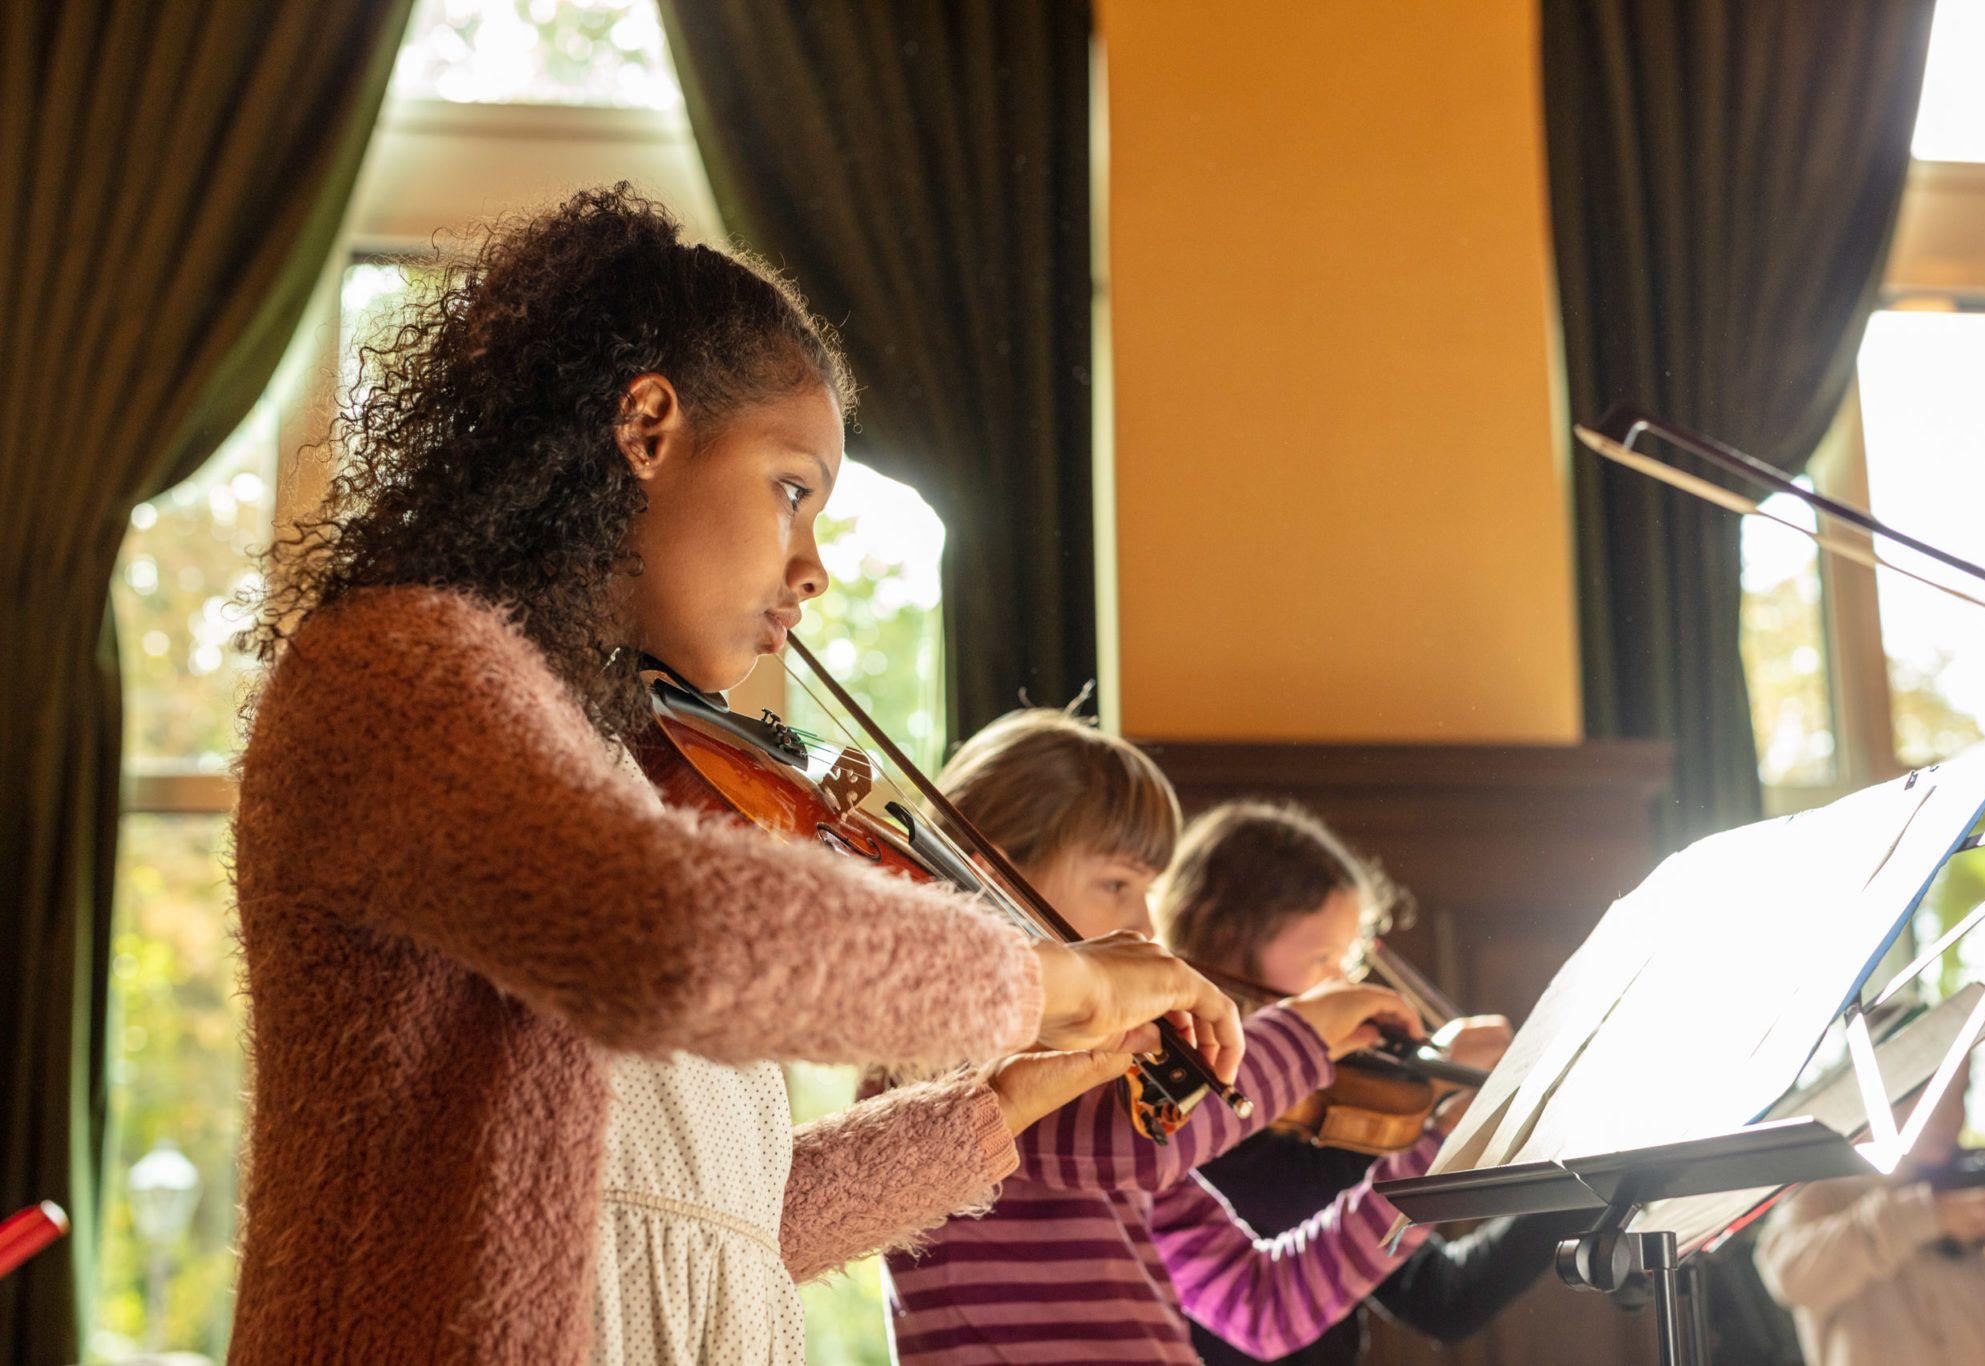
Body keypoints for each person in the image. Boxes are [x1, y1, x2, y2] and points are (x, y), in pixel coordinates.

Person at [227, 185, 1242, 1364]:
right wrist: (1055, 980)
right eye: (793, 488)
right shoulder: (396, 670)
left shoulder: (610, 760)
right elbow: (676, 934)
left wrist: (1006, 1097)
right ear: (646, 427)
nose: (811, 565)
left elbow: (722, 1224)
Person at [880, 709, 1507, 1363]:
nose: (1147, 925)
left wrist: (1436, 1148)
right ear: (992, 875)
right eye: (1117, 885)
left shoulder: (1108, 1083)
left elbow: (1262, 1305)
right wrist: (1308, 1030)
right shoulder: (943, 1062)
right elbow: (1136, 1144)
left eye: (1148, 891)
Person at [1159, 800, 1584, 1363]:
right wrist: (1578, 1174)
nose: (1345, 986)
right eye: (1322, 959)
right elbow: (1443, 1300)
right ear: (1224, 944)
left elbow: (1442, 1295)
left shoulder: (1326, 1119)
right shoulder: (1212, 1126)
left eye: (1349, 960)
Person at [1755, 1059, 1985, 1366]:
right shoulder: (1822, 1194)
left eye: (1959, 1093)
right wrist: (1929, 1215)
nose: (1948, 1114)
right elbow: (1792, 1279)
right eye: (1926, 1093)